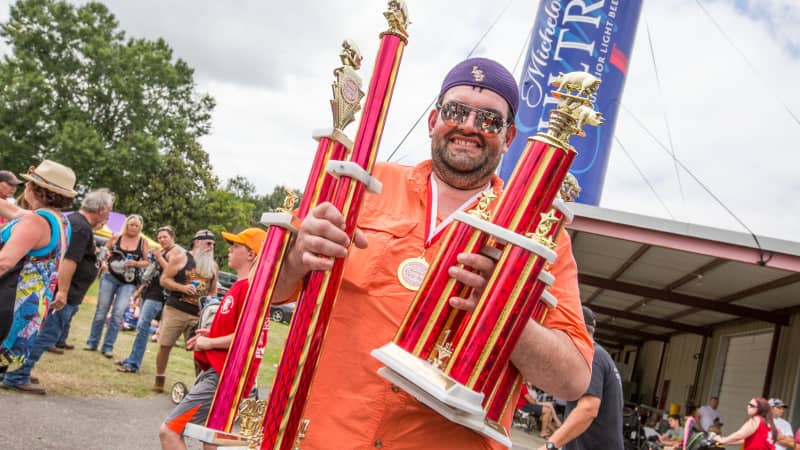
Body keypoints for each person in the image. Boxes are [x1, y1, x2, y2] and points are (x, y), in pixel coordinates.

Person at [270, 57, 593, 449]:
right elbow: (267, 294)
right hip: (321, 437)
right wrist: (295, 255)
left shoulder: (539, 233)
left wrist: (502, 307)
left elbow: (572, 378)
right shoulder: (362, 184)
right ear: (432, 121)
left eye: (489, 120)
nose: (469, 127)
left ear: (509, 137)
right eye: (455, 111)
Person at [159, 227, 266, 450]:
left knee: (170, 431)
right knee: (211, 439)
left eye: (236, 246)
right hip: (225, 374)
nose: (229, 250)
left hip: (222, 375)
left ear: (251, 255)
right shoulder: (242, 286)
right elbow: (240, 329)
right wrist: (212, 334)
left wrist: (209, 343)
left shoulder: (248, 288)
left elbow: (250, 336)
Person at [1, 189, 113, 393]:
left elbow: (5, 258)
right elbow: (16, 212)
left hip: (20, 297)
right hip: (32, 300)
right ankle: (18, 374)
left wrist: (62, 290)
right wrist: (61, 290)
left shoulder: (51, 220)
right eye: (109, 210)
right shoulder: (67, 223)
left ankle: (18, 373)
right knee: (43, 336)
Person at [0, 160, 75, 367]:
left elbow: (4, 262)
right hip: (29, 309)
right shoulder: (59, 220)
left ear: (37, 189)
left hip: (9, 303)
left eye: (29, 182)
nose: (25, 186)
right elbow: (14, 212)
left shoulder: (36, 221)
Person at [537, 306, 623, 450]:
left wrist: (550, 445)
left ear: (575, 327)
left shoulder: (591, 356)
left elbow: (588, 408)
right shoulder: (600, 356)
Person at [152, 229, 218, 392]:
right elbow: (164, 280)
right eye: (208, 243)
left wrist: (208, 309)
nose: (211, 248)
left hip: (198, 315)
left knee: (201, 349)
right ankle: (159, 379)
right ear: (197, 242)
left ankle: (199, 386)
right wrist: (182, 287)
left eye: (213, 245)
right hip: (176, 309)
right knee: (165, 345)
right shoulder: (181, 258)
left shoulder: (213, 266)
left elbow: (213, 291)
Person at [84, 214, 150, 358]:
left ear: (140, 228)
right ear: (126, 225)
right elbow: (103, 252)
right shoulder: (116, 238)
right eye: (131, 224)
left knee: (118, 313)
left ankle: (107, 347)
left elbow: (148, 262)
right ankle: (92, 342)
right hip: (109, 277)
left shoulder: (143, 242)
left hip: (128, 281)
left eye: (136, 226)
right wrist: (104, 264)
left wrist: (136, 263)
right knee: (101, 310)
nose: (133, 227)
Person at [116, 226, 179, 373]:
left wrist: (159, 257)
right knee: (141, 327)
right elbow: (150, 275)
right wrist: (138, 292)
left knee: (143, 327)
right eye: (159, 238)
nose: (162, 240)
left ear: (172, 237)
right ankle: (131, 359)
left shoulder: (175, 252)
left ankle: (133, 363)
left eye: (165, 237)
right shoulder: (162, 252)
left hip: (158, 295)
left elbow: (171, 271)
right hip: (149, 292)